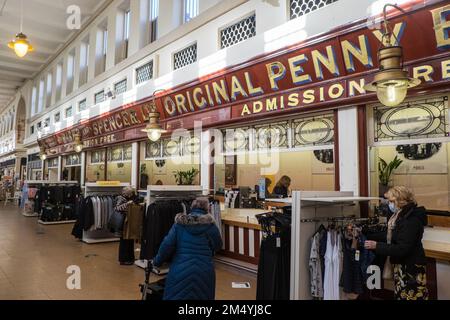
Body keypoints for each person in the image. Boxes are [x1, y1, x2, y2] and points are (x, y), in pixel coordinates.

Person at [364, 186, 428, 300]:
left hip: (411, 268)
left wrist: (377, 246)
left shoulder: (410, 220)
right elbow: (391, 236)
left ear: (401, 200)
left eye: (392, 201)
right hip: (403, 266)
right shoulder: (400, 216)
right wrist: (366, 234)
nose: (390, 204)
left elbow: (402, 248)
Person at [153, 197, 223, 300]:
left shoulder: (180, 224)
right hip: (204, 271)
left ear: (191, 207)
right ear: (207, 209)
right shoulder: (211, 226)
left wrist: (157, 262)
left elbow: (166, 245)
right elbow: (218, 245)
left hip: (180, 269)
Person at [115, 186, 139, 265]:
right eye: (130, 193)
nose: (130, 194)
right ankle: (124, 259)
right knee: (124, 241)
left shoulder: (131, 198)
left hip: (129, 222)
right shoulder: (121, 198)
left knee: (129, 240)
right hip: (123, 223)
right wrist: (127, 204)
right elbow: (117, 208)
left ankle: (130, 258)